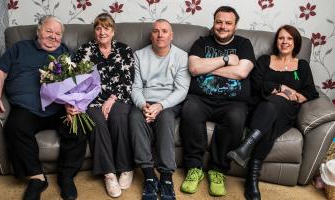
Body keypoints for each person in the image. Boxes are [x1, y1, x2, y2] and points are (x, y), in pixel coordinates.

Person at [0, 15, 81, 200]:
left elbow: (75, 83)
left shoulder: (66, 54)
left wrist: (72, 104)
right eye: (49, 31)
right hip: (27, 108)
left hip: (58, 108)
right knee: (14, 128)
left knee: (80, 126)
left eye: (58, 33)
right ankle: (37, 178)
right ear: (39, 31)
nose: (53, 36)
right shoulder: (19, 49)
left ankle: (66, 176)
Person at [227, 24, 319, 200]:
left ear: (295, 42)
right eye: (281, 38)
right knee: (270, 115)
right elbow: (255, 84)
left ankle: (246, 146)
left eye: (289, 38)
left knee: (277, 104)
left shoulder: (302, 66)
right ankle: (252, 179)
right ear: (276, 41)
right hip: (260, 108)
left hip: (287, 113)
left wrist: (294, 96)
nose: (285, 42)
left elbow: (310, 92)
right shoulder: (264, 60)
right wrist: (280, 88)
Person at [179, 6, 256, 196]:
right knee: (189, 111)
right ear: (213, 23)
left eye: (228, 23)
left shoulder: (244, 44)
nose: (222, 26)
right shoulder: (201, 42)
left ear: (235, 26)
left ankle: (217, 170)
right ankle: (194, 169)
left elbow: (242, 72)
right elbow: (194, 68)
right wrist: (226, 59)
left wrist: (208, 66)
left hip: (233, 102)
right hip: (200, 99)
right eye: (219, 22)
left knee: (237, 119)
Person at [71, 13, 134, 198]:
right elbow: (76, 80)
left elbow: (128, 79)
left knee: (119, 118)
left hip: (119, 98)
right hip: (91, 100)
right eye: (98, 28)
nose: (102, 32)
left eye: (106, 28)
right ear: (94, 32)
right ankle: (109, 174)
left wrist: (112, 99)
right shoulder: (85, 50)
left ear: (113, 31)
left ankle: (126, 168)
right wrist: (81, 101)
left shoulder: (125, 50)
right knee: (96, 122)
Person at [130, 19, 190, 200]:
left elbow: (181, 90)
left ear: (171, 36)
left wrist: (161, 105)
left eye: (164, 31)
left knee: (165, 119)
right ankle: (148, 175)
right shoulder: (139, 55)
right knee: (134, 118)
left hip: (168, 103)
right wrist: (143, 105)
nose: (160, 34)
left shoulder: (181, 56)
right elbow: (135, 87)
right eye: (156, 31)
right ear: (151, 35)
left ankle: (166, 177)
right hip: (145, 101)